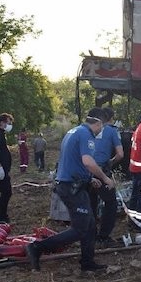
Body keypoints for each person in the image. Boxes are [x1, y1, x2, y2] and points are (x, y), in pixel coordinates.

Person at [26, 108, 115, 271]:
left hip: (73, 184)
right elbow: (88, 162)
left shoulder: (73, 132)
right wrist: (105, 178)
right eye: (103, 127)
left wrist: (90, 179)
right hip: (70, 188)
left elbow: (73, 161)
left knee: (89, 224)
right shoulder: (86, 135)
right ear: (98, 123)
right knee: (80, 228)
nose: (102, 131)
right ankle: (38, 247)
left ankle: (87, 262)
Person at [89, 107, 124, 246]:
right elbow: (120, 154)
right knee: (110, 203)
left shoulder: (85, 129)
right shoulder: (112, 131)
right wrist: (111, 162)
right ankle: (103, 236)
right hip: (101, 170)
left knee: (91, 203)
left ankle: (90, 234)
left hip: (86, 170)